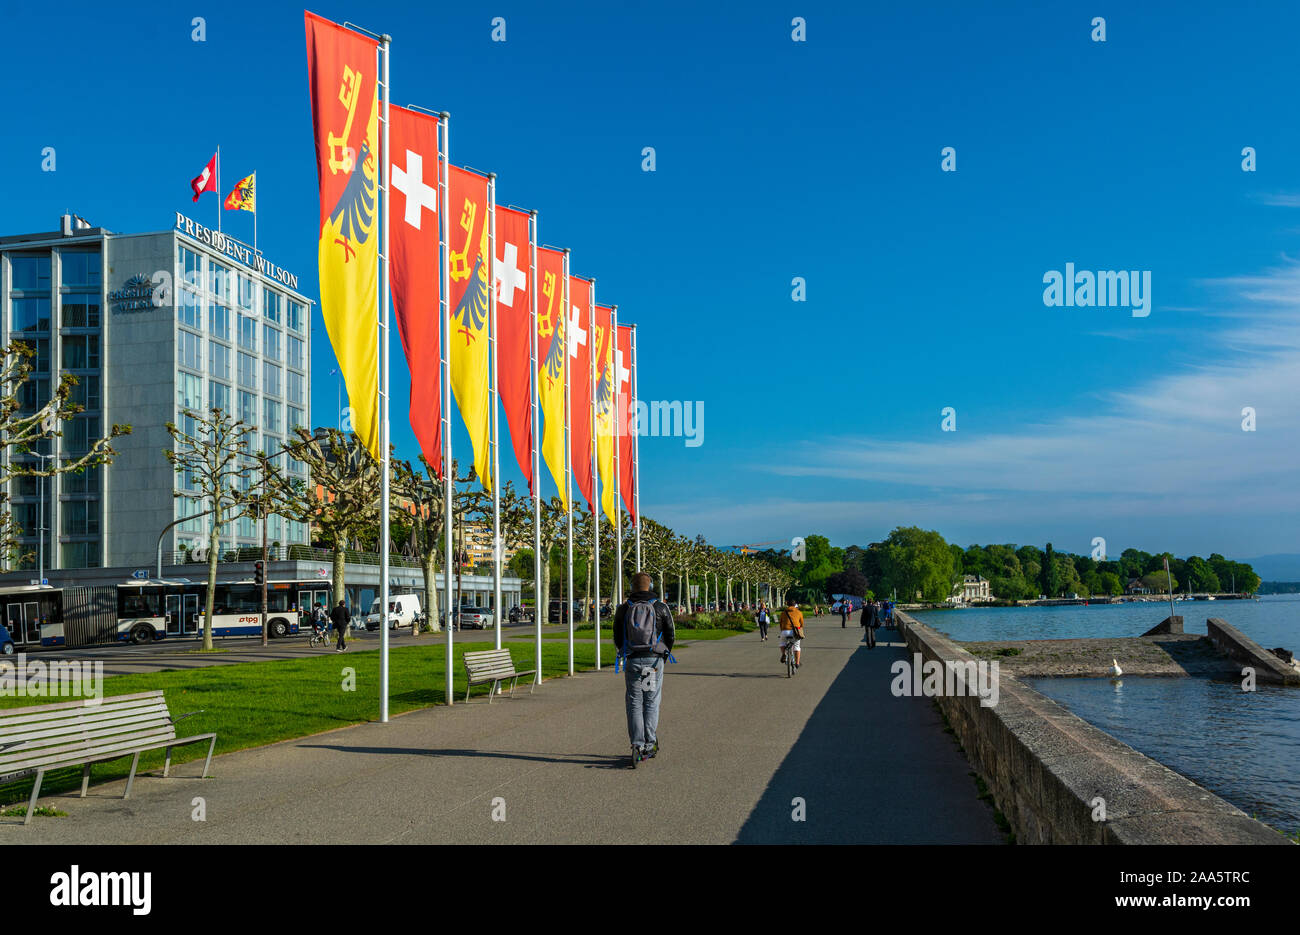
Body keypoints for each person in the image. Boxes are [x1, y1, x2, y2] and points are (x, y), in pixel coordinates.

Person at [613, 571, 676, 767]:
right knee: (650, 700)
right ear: (650, 586)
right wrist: (664, 653)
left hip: (633, 660)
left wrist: (624, 651)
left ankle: (636, 743)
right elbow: (670, 633)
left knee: (634, 702)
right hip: (653, 660)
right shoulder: (660, 607)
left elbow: (617, 634)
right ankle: (650, 742)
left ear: (632, 587)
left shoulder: (624, 608)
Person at [779, 596, 805, 668]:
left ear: (787, 604)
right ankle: (797, 663)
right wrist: (799, 628)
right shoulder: (799, 612)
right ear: (795, 604)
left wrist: (782, 630)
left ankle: (784, 654)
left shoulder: (783, 613)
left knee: (782, 643)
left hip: (785, 631)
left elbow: (780, 623)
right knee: (797, 646)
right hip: (795, 632)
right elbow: (802, 623)